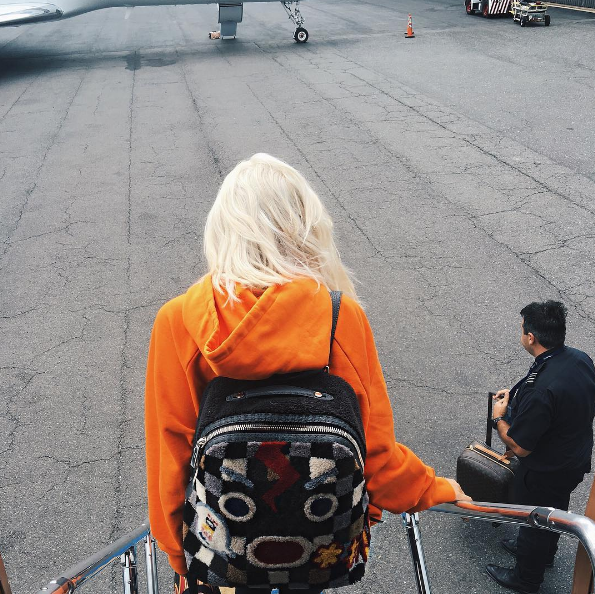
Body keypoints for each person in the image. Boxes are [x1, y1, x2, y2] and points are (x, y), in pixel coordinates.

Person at [145, 153, 469, 594]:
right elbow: (376, 455)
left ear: (222, 230)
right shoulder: (339, 317)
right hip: (317, 550)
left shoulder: (179, 321)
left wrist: (177, 555)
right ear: (305, 229)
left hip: (218, 558)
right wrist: (433, 488)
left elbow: (169, 456)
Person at [486, 301, 595, 593]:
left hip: (545, 471)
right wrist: (518, 396)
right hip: (574, 458)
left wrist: (499, 418)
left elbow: (520, 447)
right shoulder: (579, 358)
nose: (521, 333)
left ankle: (527, 578)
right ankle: (545, 554)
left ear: (531, 337)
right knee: (556, 509)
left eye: (522, 329)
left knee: (533, 518)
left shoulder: (541, 390)